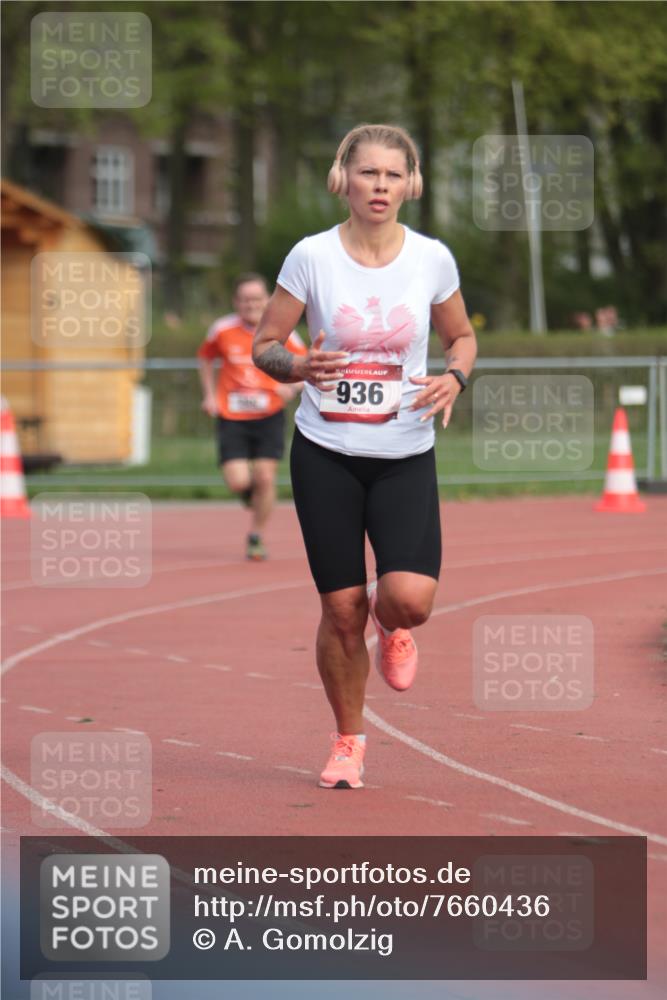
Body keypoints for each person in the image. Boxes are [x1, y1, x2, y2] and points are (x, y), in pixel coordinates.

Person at [252, 123, 477, 787]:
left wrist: (453, 376)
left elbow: (460, 337)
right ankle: (349, 739)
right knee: (341, 610)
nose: (379, 186)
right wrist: (296, 367)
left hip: (404, 448)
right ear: (341, 180)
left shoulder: (431, 259)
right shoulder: (311, 257)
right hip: (326, 450)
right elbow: (265, 344)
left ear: (410, 184)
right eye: (367, 173)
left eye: (391, 174)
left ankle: (397, 627)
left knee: (407, 598)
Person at [198, 273, 306, 560]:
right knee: (237, 481)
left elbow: (307, 367)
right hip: (232, 415)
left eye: (256, 298)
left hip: (268, 414)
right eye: (245, 299)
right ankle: (251, 496)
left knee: (265, 477)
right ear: (236, 302)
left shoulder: (284, 331)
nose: (251, 304)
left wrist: (292, 388)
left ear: (267, 299)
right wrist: (209, 395)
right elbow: (205, 359)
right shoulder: (221, 329)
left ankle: (256, 536)